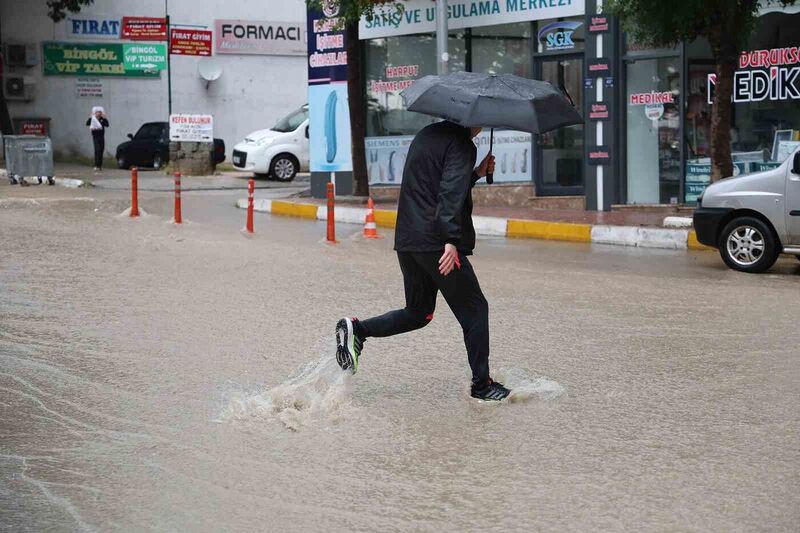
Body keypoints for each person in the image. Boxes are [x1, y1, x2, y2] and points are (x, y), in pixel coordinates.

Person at [335, 121, 511, 401]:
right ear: (473, 120)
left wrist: (476, 174)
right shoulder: (462, 144)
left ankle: (358, 329)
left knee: (419, 312)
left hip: (408, 239)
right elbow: (449, 193)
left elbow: (434, 184)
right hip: (437, 243)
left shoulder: (428, 135)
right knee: (475, 308)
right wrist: (452, 240)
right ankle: (482, 385)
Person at [86, 106, 109, 171]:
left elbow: (107, 125)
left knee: (101, 150)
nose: (98, 113)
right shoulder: (93, 119)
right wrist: (90, 117)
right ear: (95, 113)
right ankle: (96, 165)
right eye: (97, 112)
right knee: (97, 150)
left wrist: (105, 118)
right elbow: (87, 123)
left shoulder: (102, 119)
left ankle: (100, 165)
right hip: (95, 137)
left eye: (100, 112)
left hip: (102, 137)